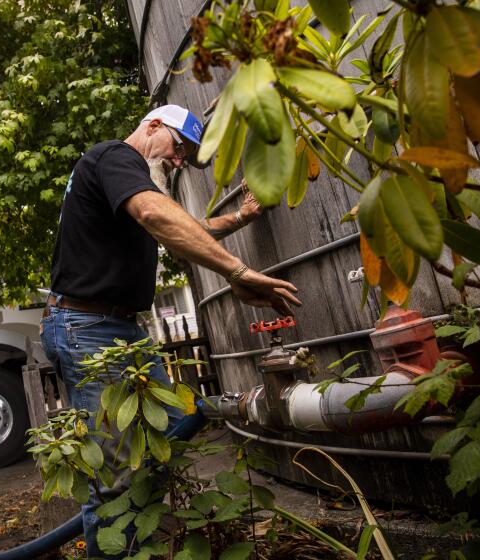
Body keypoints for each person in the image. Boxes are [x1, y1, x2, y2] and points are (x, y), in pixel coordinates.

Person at [40, 104, 300, 558]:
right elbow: (159, 216)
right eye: (180, 148)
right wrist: (236, 271)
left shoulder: (127, 189)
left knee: (171, 431)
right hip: (87, 328)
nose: (179, 161)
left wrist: (241, 217)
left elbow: (187, 228)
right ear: (154, 126)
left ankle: (143, 541)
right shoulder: (116, 157)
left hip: (114, 326)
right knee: (114, 473)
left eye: (187, 157)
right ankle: (117, 550)